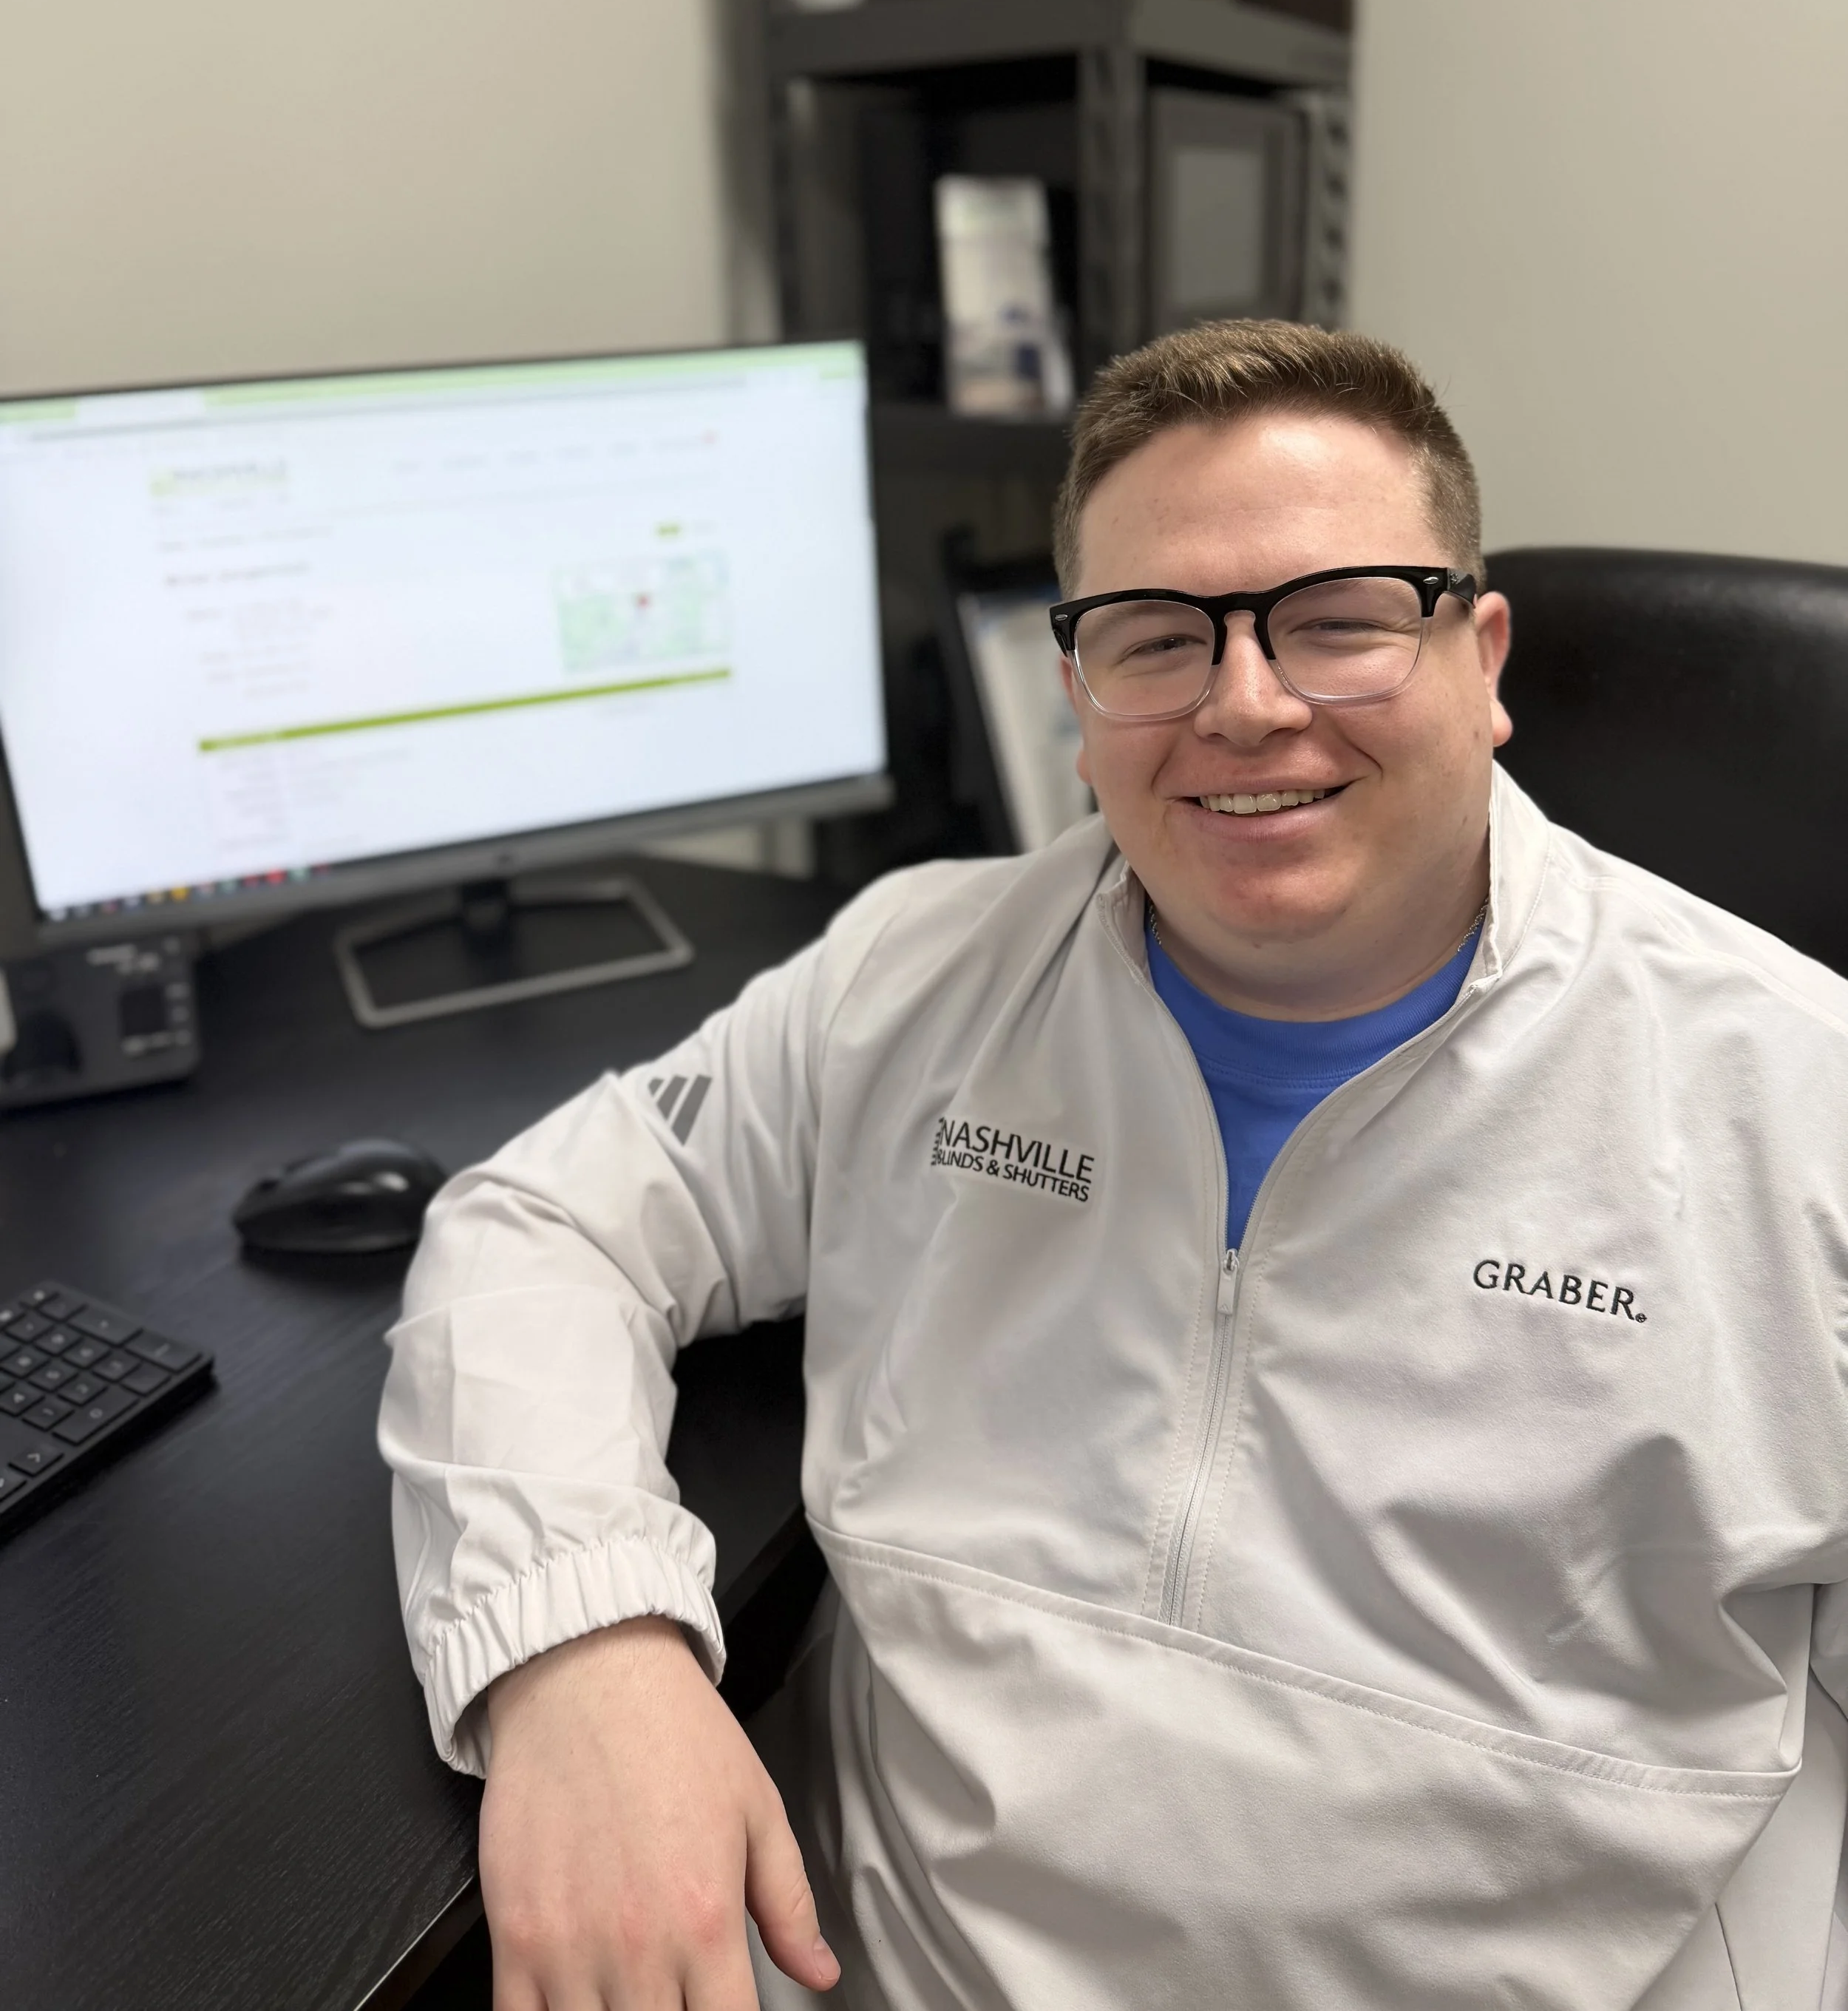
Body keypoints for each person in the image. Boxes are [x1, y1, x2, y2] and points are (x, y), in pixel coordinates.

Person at [380, 321, 1848, 2011]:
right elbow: (544, 1221)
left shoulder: (1790, 1108)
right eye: (1154, 637)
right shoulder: (911, 981)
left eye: (1338, 619)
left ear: (1480, 655)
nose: (1243, 701)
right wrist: (586, 1653)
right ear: (1074, 693)